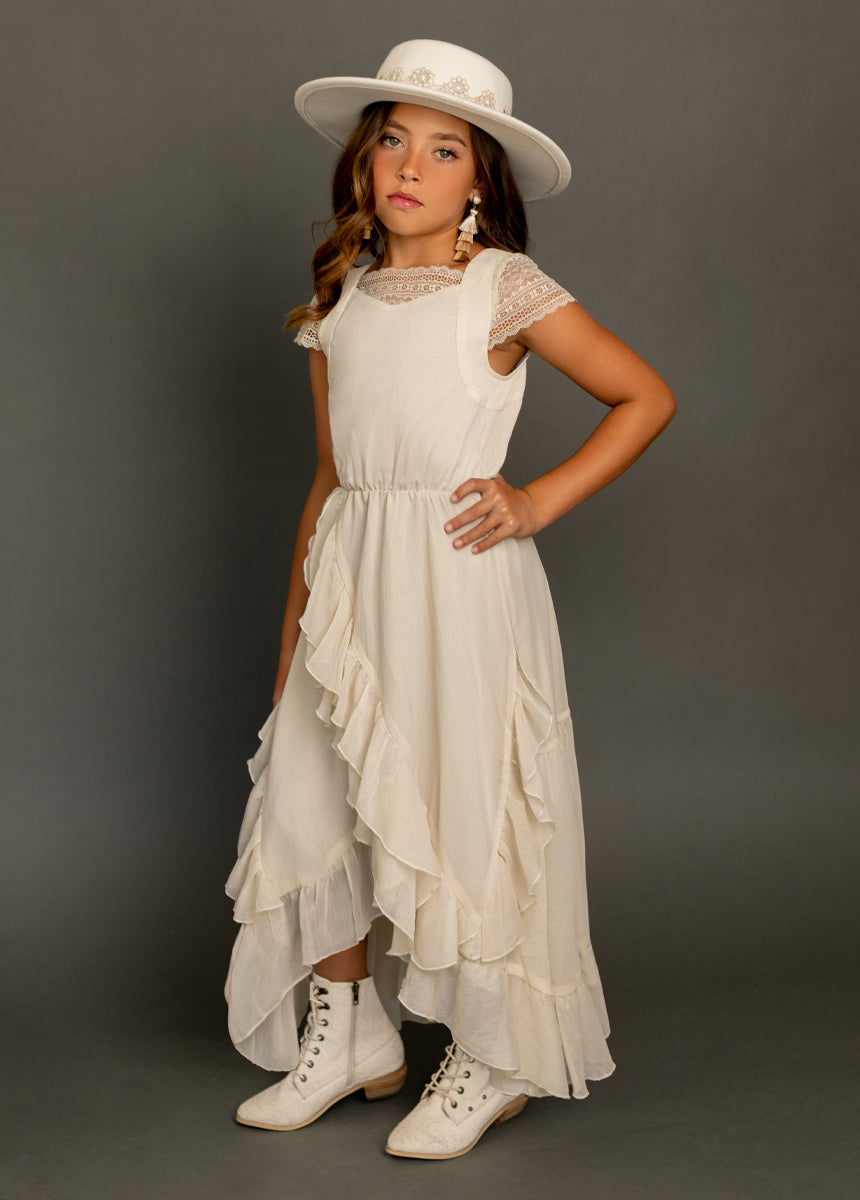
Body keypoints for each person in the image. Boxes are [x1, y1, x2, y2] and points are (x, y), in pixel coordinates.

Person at [224, 39, 676, 1160]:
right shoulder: (338, 298)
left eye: (443, 150)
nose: (410, 166)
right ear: (363, 160)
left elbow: (642, 396)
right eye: (392, 141)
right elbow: (330, 480)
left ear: (480, 180)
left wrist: (535, 500)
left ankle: (493, 1050)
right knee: (312, 804)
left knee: (466, 808)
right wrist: (291, 636)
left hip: (455, 588)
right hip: (350, 587)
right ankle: (348, 1034)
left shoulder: (501, 287)